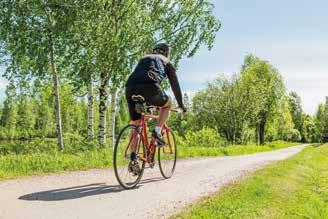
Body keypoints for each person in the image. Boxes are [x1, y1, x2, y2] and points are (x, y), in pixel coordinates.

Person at [125, 43, 186, 172]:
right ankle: (157, 131)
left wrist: (149, 103)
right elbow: (175, 85)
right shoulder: (167, 61)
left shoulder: (144, 58)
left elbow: (141, 77)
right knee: (167, 104)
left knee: (135, 124)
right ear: (167, 53)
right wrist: (181, 105)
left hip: (130, 87)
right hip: (150, 86)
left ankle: (133, 159)